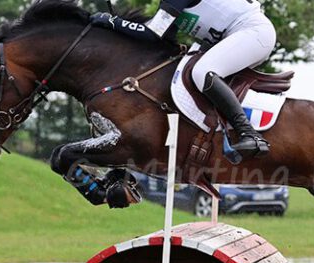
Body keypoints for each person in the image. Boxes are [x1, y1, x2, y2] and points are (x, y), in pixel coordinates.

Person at [90, 0, 275, 158]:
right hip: (242, 35)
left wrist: (113, 22)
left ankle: (249, 134)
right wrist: (118, 27)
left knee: (202, 72)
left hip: (253, 33)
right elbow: (163, 35)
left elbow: (152, 33)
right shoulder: (170, 4)